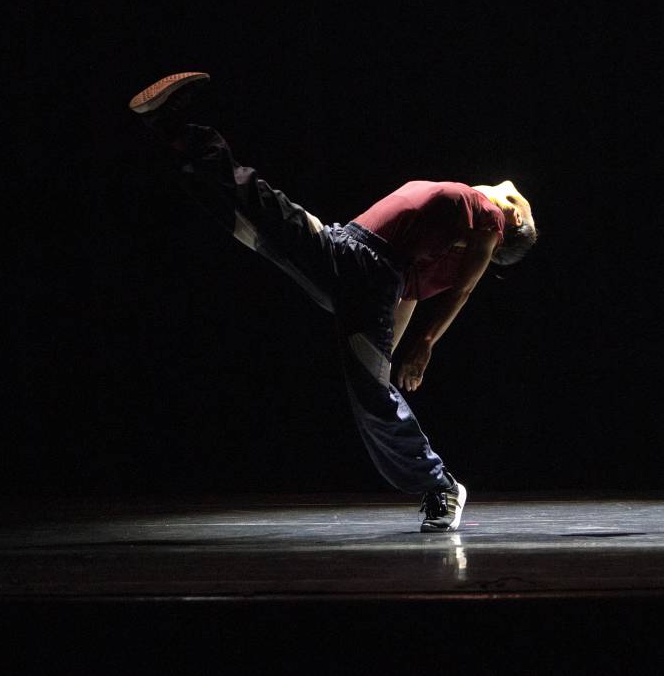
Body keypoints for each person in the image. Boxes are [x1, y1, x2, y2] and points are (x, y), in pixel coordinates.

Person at [128, 72, 538, 531]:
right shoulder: (458, 219)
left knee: (370, 395)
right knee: (258, 215)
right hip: (348, 249)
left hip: (369, 273)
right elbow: (410, 291)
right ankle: (174, 129)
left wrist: (423, 343)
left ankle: (440, 485)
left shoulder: (491, 221)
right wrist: (393, 356)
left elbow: (458, 287)